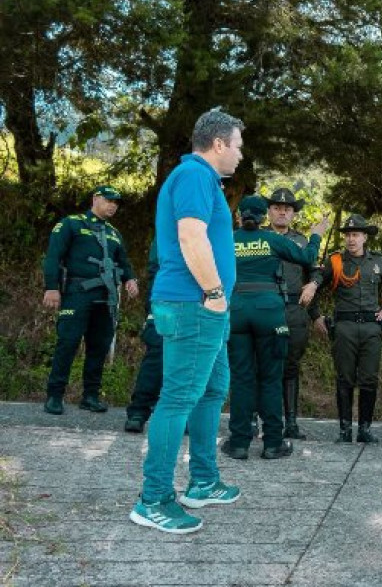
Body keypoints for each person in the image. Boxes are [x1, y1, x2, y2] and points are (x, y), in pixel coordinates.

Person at [129, 110, 244, 534]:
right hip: (195, 305)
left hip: (206, 307)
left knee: (212, 390)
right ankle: (154, 499)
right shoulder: (195, 175)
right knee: (178, 398)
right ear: (218, 145)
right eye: (237, 146)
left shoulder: (202, 179)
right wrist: (214, 294)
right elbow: (190, 237)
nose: (240, 154)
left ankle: (202, 481)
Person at [222, 196, 326, 460]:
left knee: (242, 378)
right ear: (262, 216)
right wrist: (315, 236)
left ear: (240, 215)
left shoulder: (227, 239)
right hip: (269, 311)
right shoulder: (272, 240)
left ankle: (239, 443)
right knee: (270, 378)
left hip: (236, 310)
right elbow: (308, 257)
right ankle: (272, 443)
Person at [42, 185, 139, 415]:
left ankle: (91, 396)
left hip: (106, 297)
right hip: (77, 292)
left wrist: (130, 279)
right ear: (95, 198)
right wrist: (51, 288)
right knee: (68, 343)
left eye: (116, 202)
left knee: (99, 346)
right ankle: (55, 396)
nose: (113, 205)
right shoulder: (71, 224)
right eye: (109, 200)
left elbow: (124, 262)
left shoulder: (114, 233)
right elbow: (53, 256)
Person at [313, 214, 382, 444]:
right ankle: (344, 430)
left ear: (364, 237)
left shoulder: (379, 262)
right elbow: (314, 285)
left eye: (356, 235)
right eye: (348, 235)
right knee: (345, 378)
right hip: (344, 328)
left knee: (369, 379)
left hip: (372, 328)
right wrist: (316, 316)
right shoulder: (335, 262)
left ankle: (364, 429)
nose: (351, 239)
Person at [264, 188, 319, 440]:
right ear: (269, 211)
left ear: (293, 214)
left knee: (291, 367)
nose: (282, 211)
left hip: (294, 309)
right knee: (259, 365)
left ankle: (292, 423)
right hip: (265, 307)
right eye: (277, 207)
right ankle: (256, 421)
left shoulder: (303, 241)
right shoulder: (258, 238)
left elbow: (316, 270)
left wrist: (314, 284)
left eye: (287, 208)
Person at [125, 241, 162, 433]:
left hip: (196, 300)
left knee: (190, 361)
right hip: (164, 298)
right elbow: (155, 269)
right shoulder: (168, 226)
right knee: (156, 357)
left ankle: (183, 416)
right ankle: (138, 412)